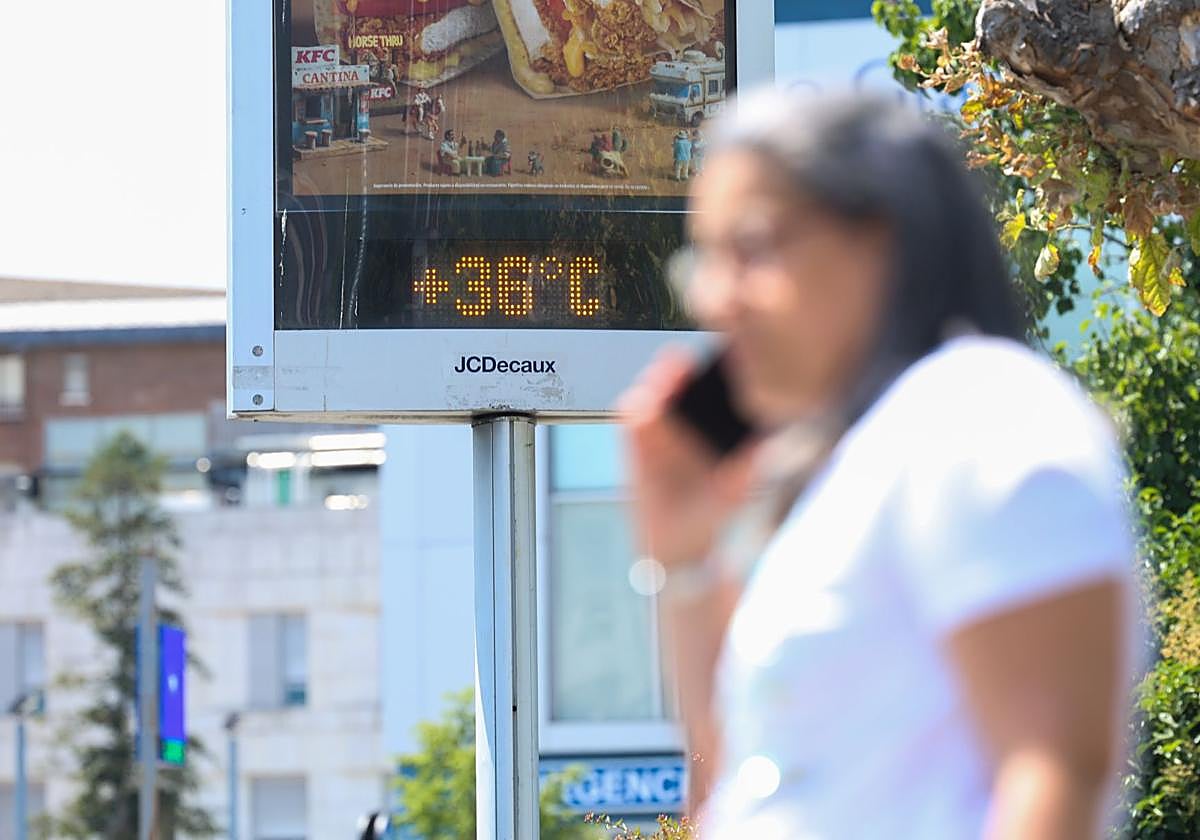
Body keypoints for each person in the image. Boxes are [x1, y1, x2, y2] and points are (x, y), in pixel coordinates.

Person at [622, 89, 1136, 840]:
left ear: (880, 238)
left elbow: (1054, 774)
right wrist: (687, 561)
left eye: (754, 248)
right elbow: (743, 792)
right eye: (706, 261)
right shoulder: (848, 466)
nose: (713, 299)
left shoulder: (979, 413)